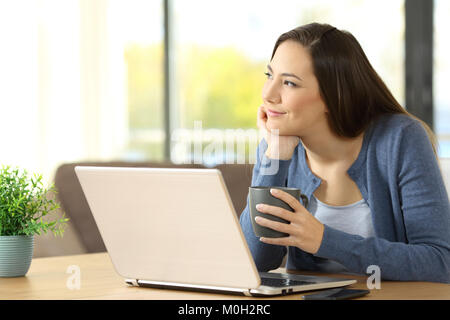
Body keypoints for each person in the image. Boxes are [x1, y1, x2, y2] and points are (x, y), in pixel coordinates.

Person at [239, 22, 450, 283]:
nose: (269, 94)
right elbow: (254, 259)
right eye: (269, 75)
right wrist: (275, 155)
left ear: (333, 95)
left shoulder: (400, 139)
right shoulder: (278, 143)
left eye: (290, 83)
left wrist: (325, 240)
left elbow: (440, 262)